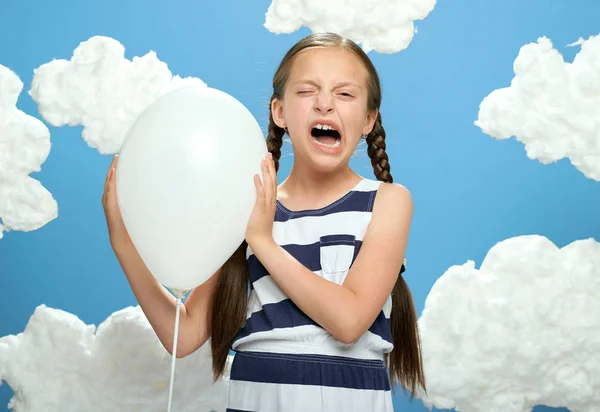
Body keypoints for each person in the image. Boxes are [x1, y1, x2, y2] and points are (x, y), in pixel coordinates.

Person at [102, 32, 425, 411]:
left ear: (369, 119)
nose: (325, 104)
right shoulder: (246, 206)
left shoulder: (387, 202)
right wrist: (122, 242)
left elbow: (349, 321)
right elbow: (184, 334)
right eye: (307, 91)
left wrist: (264, 242)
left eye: (345, 94)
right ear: (280, 113)